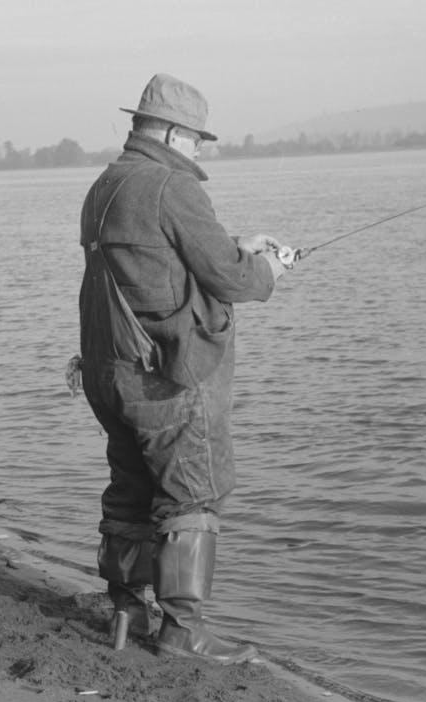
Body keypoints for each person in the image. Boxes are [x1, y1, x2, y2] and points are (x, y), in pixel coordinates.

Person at [77, 73, 297, 665]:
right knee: (193, 492)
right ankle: (182, 629)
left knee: (131, 489)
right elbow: (228, 277)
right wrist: (268, 269)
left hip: (110, 371)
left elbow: (154, 259)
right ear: (173, 133)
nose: (200, 149)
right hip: (165, 377)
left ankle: (126, 609)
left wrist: (236, 242)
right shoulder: (173, 185)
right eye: (197, 138)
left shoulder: (105, 185)